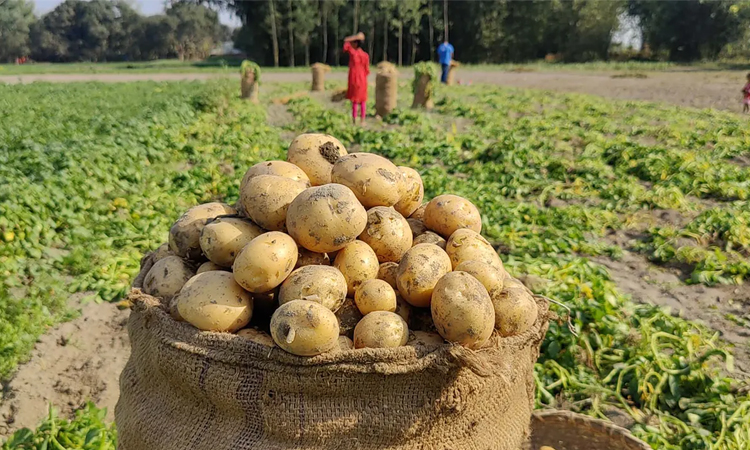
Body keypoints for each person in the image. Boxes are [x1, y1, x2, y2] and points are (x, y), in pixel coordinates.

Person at [343, 32, 370, 124]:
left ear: (356, 43)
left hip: (354, 79)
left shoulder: (353, 53)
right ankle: (362, 120)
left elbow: (346, 42)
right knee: (363, 100)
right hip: (363, 80)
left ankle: (354, 119)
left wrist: (354, 37)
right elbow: (367, 70)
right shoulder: (365, 55)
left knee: (354, 100)